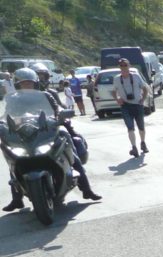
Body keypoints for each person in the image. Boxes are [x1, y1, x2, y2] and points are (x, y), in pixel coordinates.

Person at [2, 68, 101, 212]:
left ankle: (86, 189)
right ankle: (17, 199)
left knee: (69, 146)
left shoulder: (46, 95)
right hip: (23, 132)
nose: (27, 86)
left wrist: (60, 115)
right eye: (24, 84)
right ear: (18, 84)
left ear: (35, 83)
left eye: (29, 83)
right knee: (14, 159)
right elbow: (6, 115)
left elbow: (57, 109)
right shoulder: (12, 99)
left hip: (47, 129)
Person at [111, 57, 150, 157]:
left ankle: (143, 143)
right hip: (125, 106)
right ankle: (134, 147)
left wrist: (142, 99)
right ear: (119, 67)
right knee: (130, 128)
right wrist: (117, 99)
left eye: (125, 65)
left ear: (129, 65)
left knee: (141, 127)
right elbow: (113, 91)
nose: (123, 67)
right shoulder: (117, 79)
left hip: (137, 104)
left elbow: (145, 89)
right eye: (121, 65)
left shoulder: (136, 76)